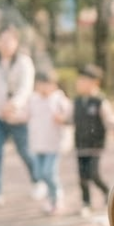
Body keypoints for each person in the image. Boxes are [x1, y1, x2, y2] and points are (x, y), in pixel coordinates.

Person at [0, 24, 39, 210]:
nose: (5, 44)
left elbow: (26, 88)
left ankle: (38, 181)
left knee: (25, 152)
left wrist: (14, 104)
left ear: (16, 42)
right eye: (1, 40)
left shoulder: (24, 62)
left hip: (17, 116)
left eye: (9, 40)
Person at [72, 64, 114, 217]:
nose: (79, 84)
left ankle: (108, 192)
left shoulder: (99, 101)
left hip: (95, 144)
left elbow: (109, 117)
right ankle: (86, 202)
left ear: (94, 82)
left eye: (83, 81)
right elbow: (69, 118)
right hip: (80, 144)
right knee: (82, 176)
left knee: (93, 173)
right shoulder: (77, 102)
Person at [28, 69, 72, 215]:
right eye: (40, 84)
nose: (43, 88)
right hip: (38, 144)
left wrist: (62, 118)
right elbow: (25, 114)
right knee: (40, 173)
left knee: (49, 172)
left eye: (47, 84)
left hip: (54, 144)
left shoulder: (58, 99)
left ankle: (57, 198)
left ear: (54, 85)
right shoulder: (33, 99)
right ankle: (50, 198)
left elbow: (70, 114)